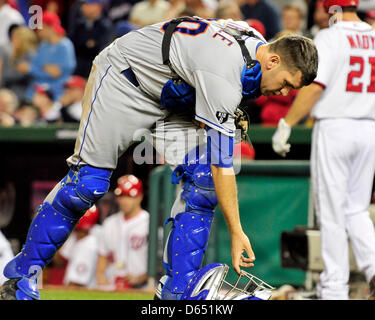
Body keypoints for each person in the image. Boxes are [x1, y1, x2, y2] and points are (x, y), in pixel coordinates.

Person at [0, 16, 318, 300]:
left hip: (172, 95)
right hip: (126, 79)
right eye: (287, 84)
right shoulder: (226, 70)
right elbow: (224, 165)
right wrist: (237, 231)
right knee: (87, 184)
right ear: (273, 60)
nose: (284, 93)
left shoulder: (254, 48)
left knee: (203, 183)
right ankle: (19, 279)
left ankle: (176, 293)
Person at [272, 0, 375, 300]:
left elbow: (316, 86)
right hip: (369, 126)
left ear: (333, 9)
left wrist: (288, 122)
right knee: (356, 209)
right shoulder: (373, 34)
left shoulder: (330, 36)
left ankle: (334, 290)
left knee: (330, 213)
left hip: (336, 125)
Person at [96, 175, 149, 290]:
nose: (124, 201)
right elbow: (102, 256)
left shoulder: (149, 222)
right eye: (122, 196)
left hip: (142, 286)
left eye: (130, 196)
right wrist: (101, 279)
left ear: (140, 197)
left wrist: (142, 278)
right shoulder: (109, 222)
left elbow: (159, 262)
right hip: (112, 285)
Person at [18, 12, 76, 103]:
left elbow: (56, 73)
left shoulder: (65, 46)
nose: (38, 30)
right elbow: (36, 65)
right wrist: (43, 68)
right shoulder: (43, 45)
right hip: (35, 90)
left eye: (42, 27)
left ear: (50, 27)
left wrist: (32, 69)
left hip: (56, 93)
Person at [68, 0, 114, 78]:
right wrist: (88, 44)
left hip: (97, 67)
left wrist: (88, 45)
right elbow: (74, 44)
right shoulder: (79, 24)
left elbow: (103, 50)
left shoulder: (105, 26)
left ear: (98, 7)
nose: (83, 7)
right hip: (78, 64)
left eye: (88, 5)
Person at [59, 205, 101, 288]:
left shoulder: (88, 245)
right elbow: (59, 262)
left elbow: (76, 283)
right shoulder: (75, 237)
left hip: (84, 292)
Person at [0, 26, 38, 104]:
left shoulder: (30, 54)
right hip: (10, 89)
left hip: (23, 92)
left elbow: (15, 75)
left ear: (22, 40)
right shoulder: (15, 55)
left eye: (15, 38)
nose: (12, 41)